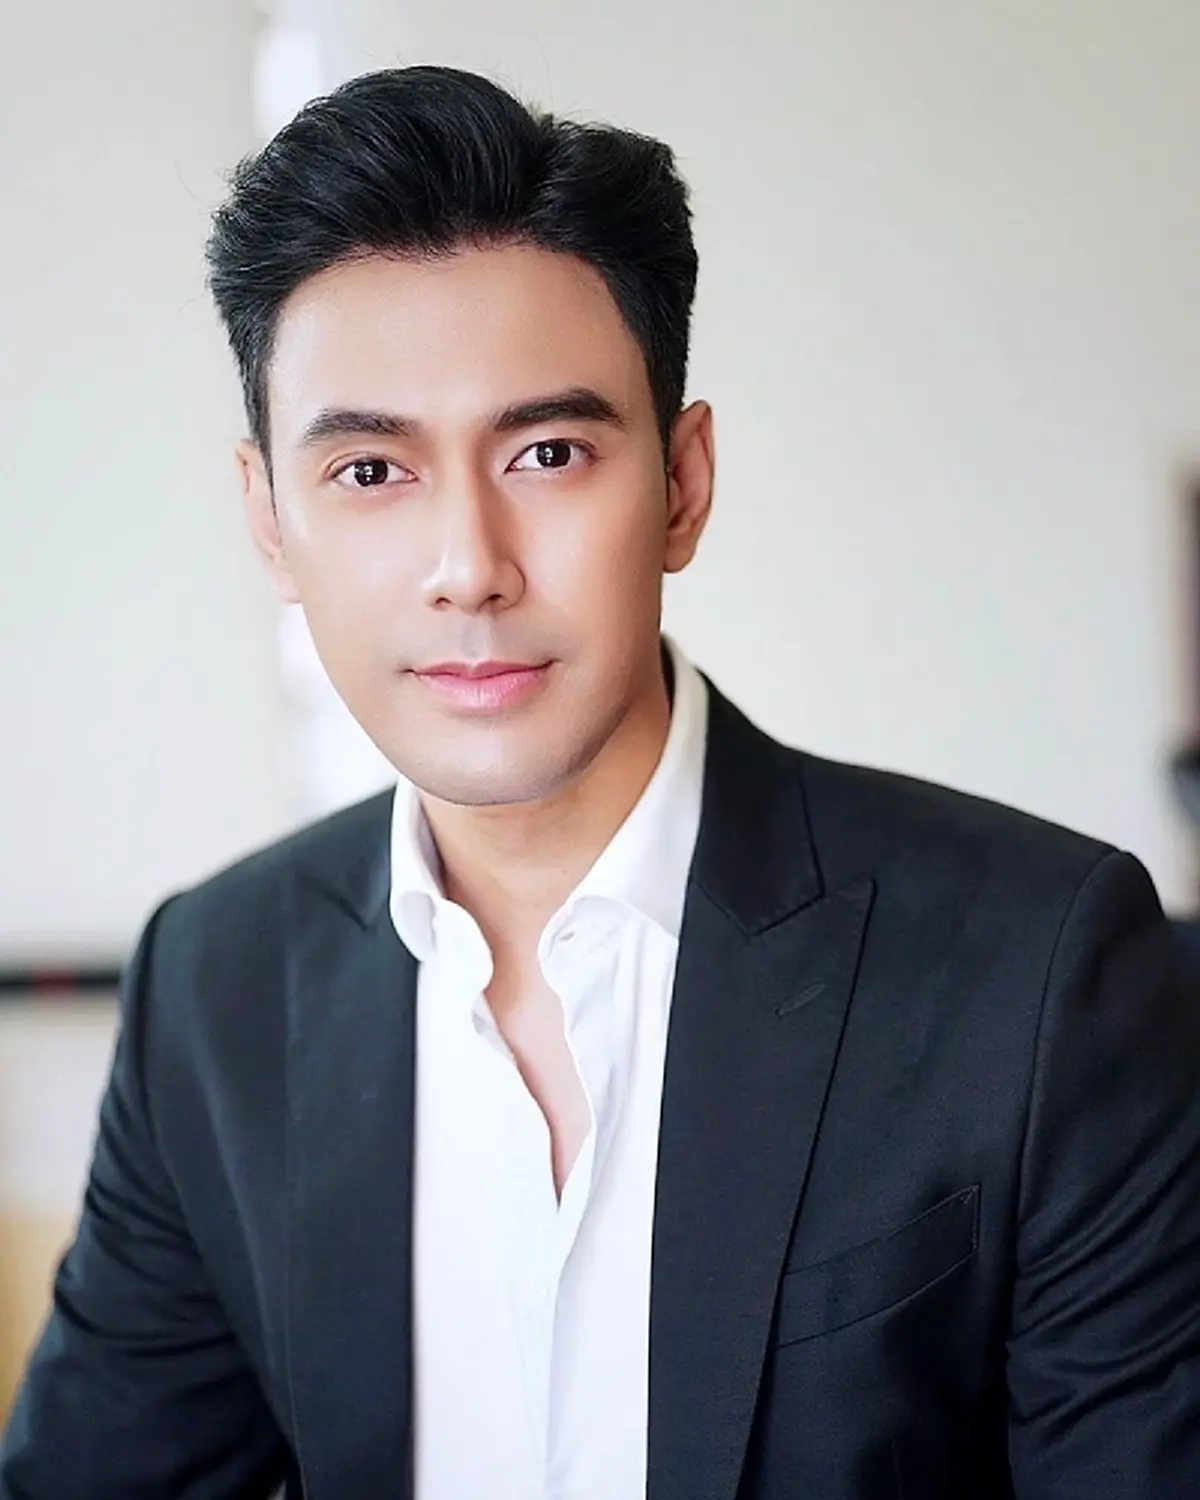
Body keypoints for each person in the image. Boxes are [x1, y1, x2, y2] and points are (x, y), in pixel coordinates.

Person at [2, 64, 1198, 1500]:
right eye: (371, 473)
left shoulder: (1042, 968)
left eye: (549, 452)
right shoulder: (215, 988)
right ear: (269, 521)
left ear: (682, 484)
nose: (469, 568)